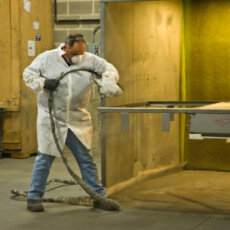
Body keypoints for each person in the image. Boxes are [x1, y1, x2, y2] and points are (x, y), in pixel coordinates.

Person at [23, 33, 122, 212]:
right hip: (51, 117)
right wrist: (43, 82)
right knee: (44, 157)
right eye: (75, 54)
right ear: (66, 48)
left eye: (82, 53)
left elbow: (109, 69)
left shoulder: (90, 60)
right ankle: (34, 197)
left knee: (86, 159)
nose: (79, 57)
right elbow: (28, 75)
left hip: (77, 119)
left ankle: (98, 196)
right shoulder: (47, 58)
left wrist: (108, 81)